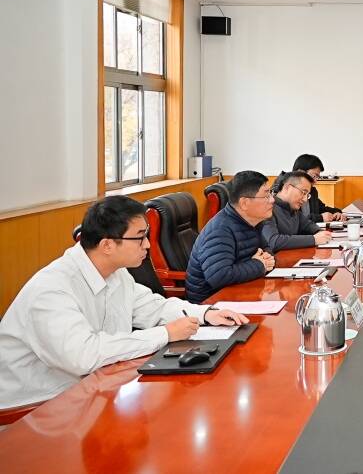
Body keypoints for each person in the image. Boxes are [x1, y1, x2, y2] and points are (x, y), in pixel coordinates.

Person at [0, 196, 248, 410]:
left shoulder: (115, 273)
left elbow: (153, 307)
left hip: (94, 388)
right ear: (107, 245)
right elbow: (83, 356)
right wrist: (164, 334)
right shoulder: (52, 289)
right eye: (140, 238)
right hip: (38, 408)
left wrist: (207, 314)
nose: (148, 245)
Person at [185, 170, 277, 304]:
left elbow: (266, 249)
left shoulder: (253, 221)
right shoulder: (220, 230)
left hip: (241, 291)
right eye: (266, 195)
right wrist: (260, 265)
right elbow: (219, 276)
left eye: (271, 193)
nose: (272, 200)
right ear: (244, 203)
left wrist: (267, 258)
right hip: (211, 303)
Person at [261, 171, 333, 252]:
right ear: (287, 187)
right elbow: (274, 241)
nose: (305, 200)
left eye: (307, 195)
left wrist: (321, 233)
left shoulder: (293, 209)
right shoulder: (267, 209)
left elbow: (309, 225)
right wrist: (314, 239)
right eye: (303, 192)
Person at [292, 153, 346, 223]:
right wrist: (320, 218)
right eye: (314, 176)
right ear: (300, 172)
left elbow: (321, 209)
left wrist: (336, 213)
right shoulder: (289, 192)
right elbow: (294, 221)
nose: (315, 181)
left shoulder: (312, 191)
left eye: (317, 177)